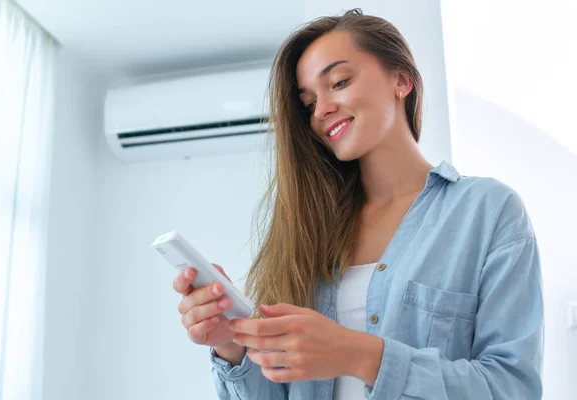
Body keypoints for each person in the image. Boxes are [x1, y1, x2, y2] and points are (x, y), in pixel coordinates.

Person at [172, 8, 543, 400]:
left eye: (339, 81)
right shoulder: (310, 229)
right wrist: (230, 345)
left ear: (401, 80)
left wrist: (357, 354)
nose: (321, 110)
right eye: (309, 102)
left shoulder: (488, 212)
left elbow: (512, 388)